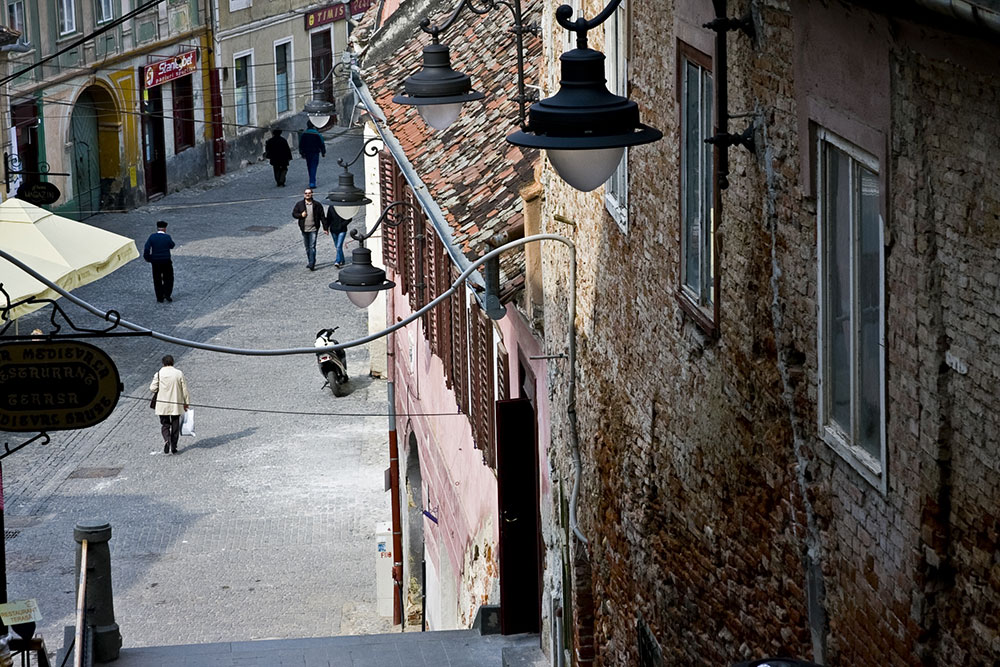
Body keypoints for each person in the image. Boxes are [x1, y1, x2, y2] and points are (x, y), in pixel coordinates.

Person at [149, 355, 190, 455]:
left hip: (162, 404)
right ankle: (174, 446)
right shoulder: (178, 373)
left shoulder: (159, 374)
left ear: (163, 363)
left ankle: (167, 440)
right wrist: (186, 403)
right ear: (173, 362)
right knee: (175, 425)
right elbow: (184, 390)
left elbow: (152, 388)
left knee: (165, 424)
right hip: (176, 404)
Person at [292, 189, 328, 270]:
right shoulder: (300, 204)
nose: (307, 195)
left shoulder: (317, 205)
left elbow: (322, 217)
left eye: (309, 193)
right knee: (307, 247)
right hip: (304, 228)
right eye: (306, 193)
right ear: (304, 195)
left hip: (314, 228)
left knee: (312, 246)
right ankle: (310, 261)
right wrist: (301, 215)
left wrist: (325, 228)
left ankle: (312, 263)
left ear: (312, 194)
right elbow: (294, 214)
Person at [143, 220, 175, 303]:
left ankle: (159, 297)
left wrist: (148, 258)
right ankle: (167, 293)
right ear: (165, 229)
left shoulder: (152, 237)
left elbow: (147, 248)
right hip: (166, 260)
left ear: (157, 228)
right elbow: (172, 245)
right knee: (168, 278)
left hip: (156, 261)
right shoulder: (167, 237)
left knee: (157, 279)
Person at [299, 121, 326, 189]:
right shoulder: (317, 134)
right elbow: (322, 143)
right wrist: (323, 152)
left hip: (307, 153)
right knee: (313, 166)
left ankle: (311, 179)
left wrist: (301, 152)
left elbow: (301, 144)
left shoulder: (304, 134)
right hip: (315, 152)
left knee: (309, 166)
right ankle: (312, 182)